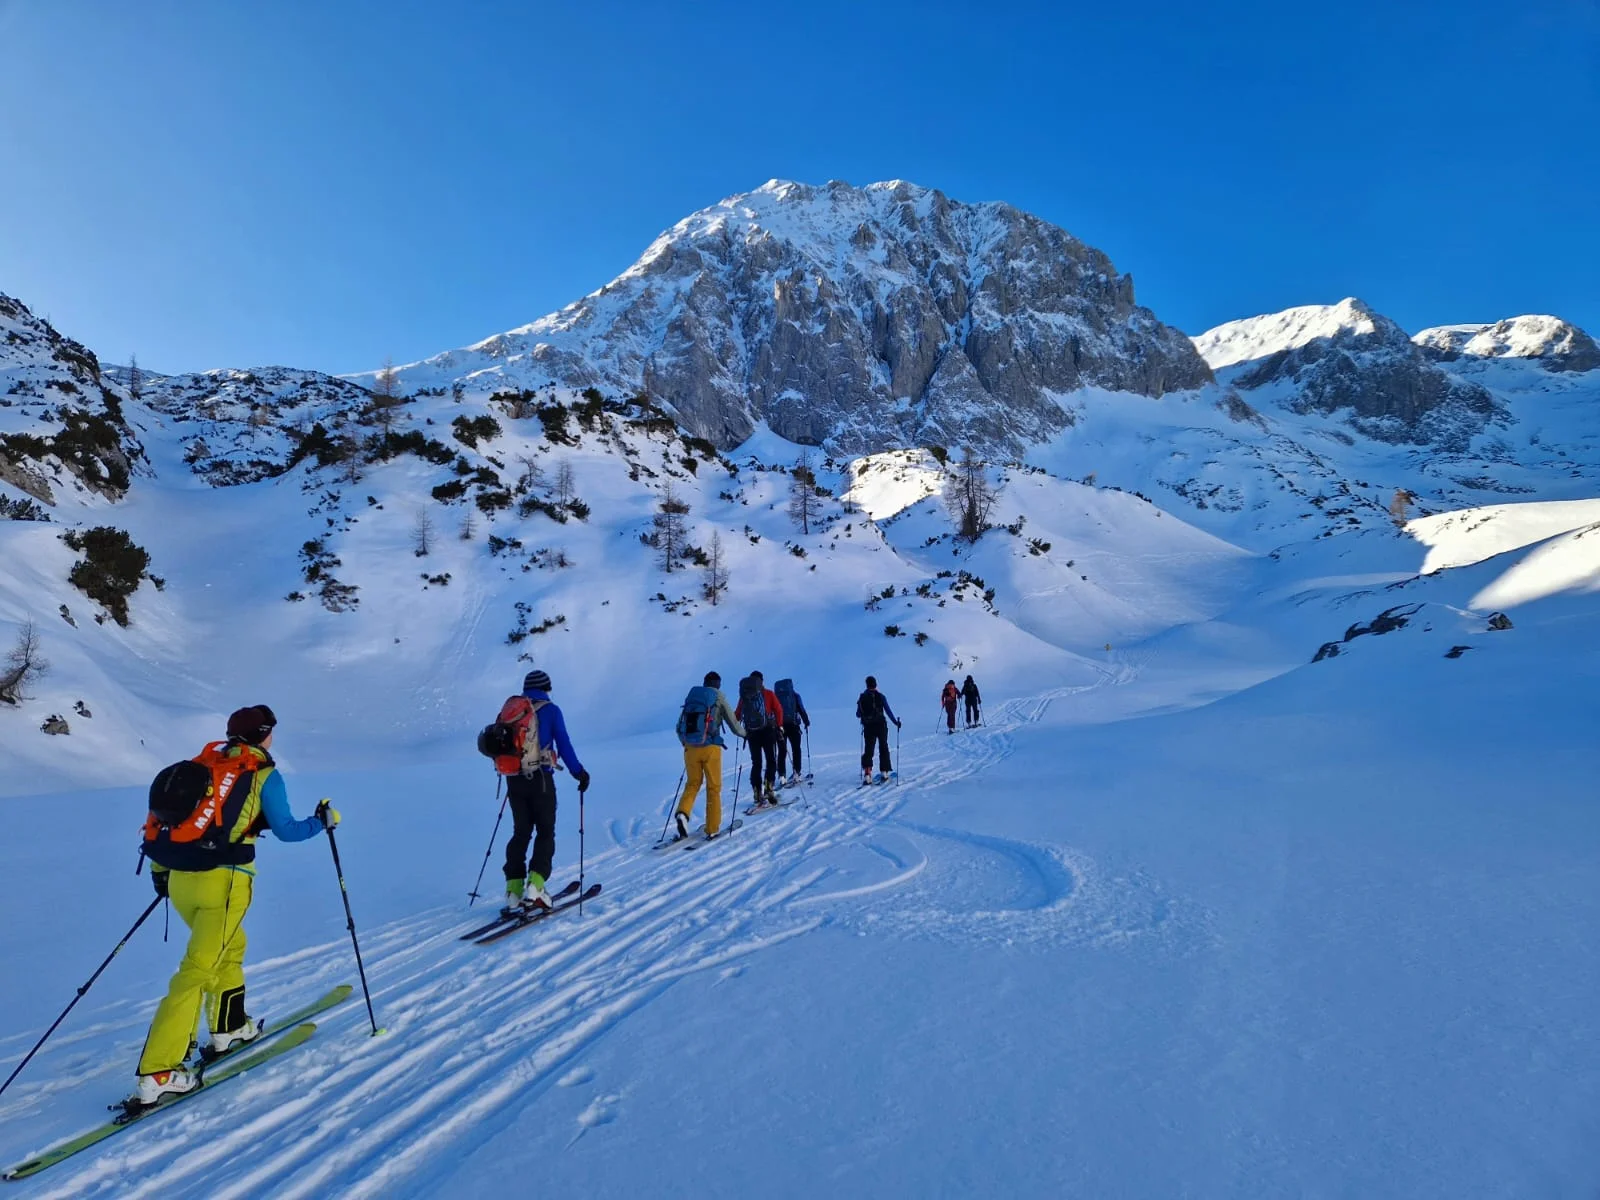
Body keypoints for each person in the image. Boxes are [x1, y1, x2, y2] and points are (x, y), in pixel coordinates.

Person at [134, 705, 338, 1106]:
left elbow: (165, 821)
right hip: (224, 883)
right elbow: (289, 831)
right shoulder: (263, 774)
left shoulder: (203, 767)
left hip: (179, 881)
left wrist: (162, 873)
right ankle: (159, 1070)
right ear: (264, 735)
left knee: (230, 947)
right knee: (197, 971)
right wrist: (323, 821)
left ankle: (229, 1027)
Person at [502, 669, 589, 915]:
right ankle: (536, 887)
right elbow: (564, 743)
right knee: (545, 832)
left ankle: (513, 890)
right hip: (540, 779)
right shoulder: (551, 711)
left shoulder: (512, 711)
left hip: (514, 780)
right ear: (546, 688)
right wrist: (579, 773)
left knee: (520, 833)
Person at [674, 671, 745, 840]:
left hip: (690, 748)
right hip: (711, 747)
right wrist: (745, 734)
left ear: (705, 683)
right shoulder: (718, 698)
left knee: (692, 784)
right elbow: (734, 724)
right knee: (713, 788)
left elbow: (679, 726)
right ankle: (712, 828)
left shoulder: (692, 698)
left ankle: (683, 813)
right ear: (718, 685)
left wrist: (686, 743)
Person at [735, 670, 784, 807]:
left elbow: (738, 714)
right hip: (768, 730)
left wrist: (737, 726)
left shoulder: (744, 696)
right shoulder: (768, 693)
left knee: (756, 763)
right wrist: (779, 726)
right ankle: (769, 788)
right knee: (771, 760)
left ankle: (757, 792)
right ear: (761, 681)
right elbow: (779, 710)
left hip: (752, 733)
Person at [855, 675, 901, 784]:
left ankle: (867, 774)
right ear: (876, 684)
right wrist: (896, 723)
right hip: (881, 725)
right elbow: (888, 711)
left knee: (868, 750)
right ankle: (884, 773)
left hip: (868, 727)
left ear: (867, 685)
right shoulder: (881, 696)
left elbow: (858, 714)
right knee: (883, 747)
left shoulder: (862, 697)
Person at [773, 678, 811, 785]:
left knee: (782, 751)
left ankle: (782, 776)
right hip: (793, 725)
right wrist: (806, 721)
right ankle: (796, 773)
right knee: (796, 749)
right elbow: (801, 709)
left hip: (779, 726)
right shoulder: (795, 696)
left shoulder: (776, 697)